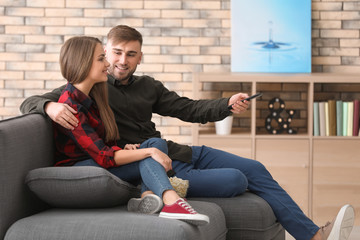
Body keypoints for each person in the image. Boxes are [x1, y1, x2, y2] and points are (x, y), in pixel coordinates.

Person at [20, 25, 355, 240]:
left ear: (139, 57)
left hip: (171, 149)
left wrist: (227, 103)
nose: (122, 60)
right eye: (115, 53)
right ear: (105, 54)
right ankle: (157, 191)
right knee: (237, 179)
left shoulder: (148, 86)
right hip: (144, 158)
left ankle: (312, 236)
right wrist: (47, 108)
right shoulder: (90, 86)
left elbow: (188, 109)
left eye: (131, 54)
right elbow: (38, 101)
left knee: (254, 169)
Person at [49, 35, 209, 226]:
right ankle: (171, 202)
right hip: (80, 171)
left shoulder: (92, 97)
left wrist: (130, 148)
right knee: (150, 153)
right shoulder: (70, 107)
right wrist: (146, 151)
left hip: (95, 161)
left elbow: (103, 145)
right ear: (83, 63)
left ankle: (147, 197)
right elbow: (103, 156)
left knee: (155, 143)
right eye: (101, 58)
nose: (108, 63)